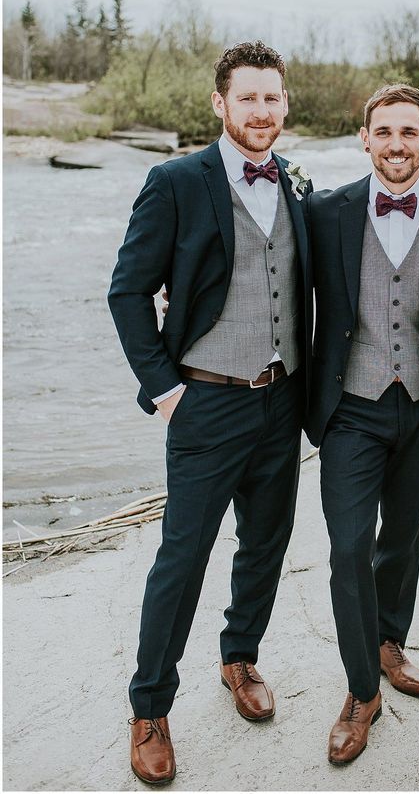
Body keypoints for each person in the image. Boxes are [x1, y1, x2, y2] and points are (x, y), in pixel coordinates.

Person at [108, 41, 312, 785]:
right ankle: (151, 705)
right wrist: (165, 389)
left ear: (287, 103)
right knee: (182, 558)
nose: (262, 110)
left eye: (273, 96)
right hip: (205, 402)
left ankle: (240, 656)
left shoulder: (294, 181)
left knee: (265, 543)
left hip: (283, 399)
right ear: (219, 104)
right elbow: (128, 291)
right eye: (247, 97)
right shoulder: (174, 182)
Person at [306, 84, 419, 765]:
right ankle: (361, 691)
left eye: (409, 131)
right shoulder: (324, 212)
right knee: (350, 545)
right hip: (350, 406)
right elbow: (273, 279)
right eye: (384, 131)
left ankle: (389, 640)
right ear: (364, 138)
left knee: (402, 538)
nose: (397, 144)